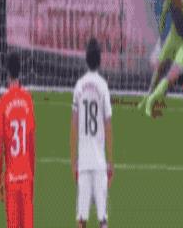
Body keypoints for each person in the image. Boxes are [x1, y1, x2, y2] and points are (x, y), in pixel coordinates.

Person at [70, 38, 113, 228]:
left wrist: (73, 160)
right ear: (99, 60)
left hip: (84, 161)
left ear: (86, 59)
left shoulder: (79, 86)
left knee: (82, 218)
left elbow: (73, 126)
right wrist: (111, 160)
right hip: (99, 161)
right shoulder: (103, 86)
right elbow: (108, 125)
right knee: (103, 218)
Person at [0, 52, 36, 228]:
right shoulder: (28, 99)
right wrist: (32, 174)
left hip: (11, 178)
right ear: (20, 71)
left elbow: (1, 145)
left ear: (7, 72)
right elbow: (31, 142)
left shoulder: (4, 101)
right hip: (26, 176)